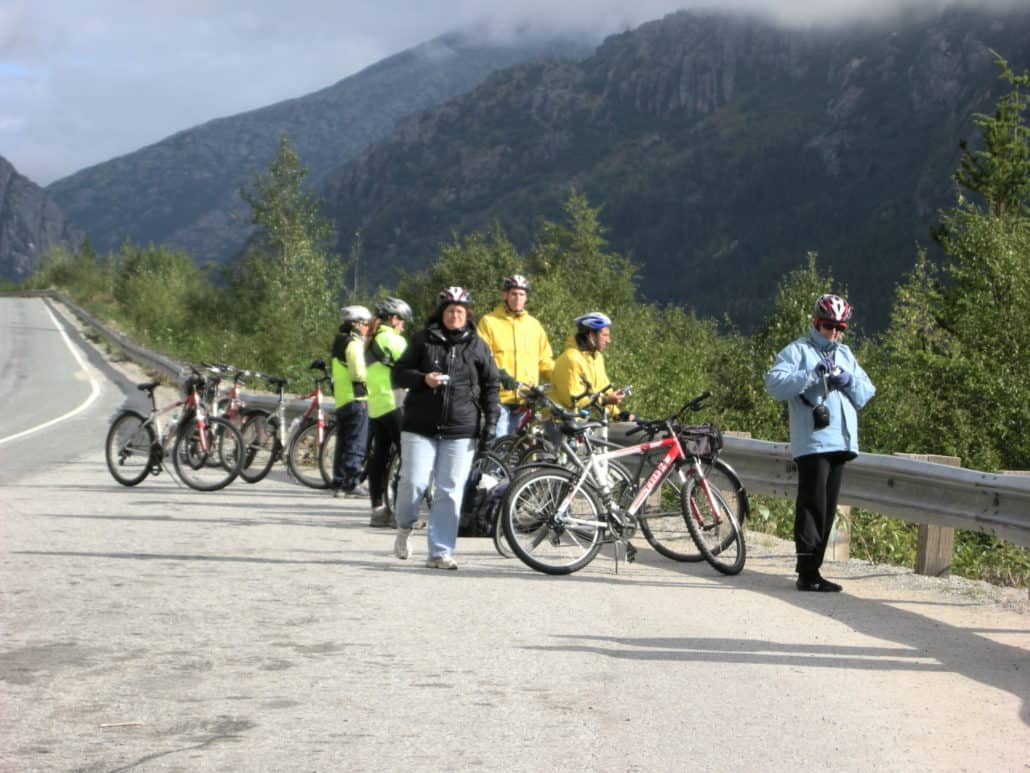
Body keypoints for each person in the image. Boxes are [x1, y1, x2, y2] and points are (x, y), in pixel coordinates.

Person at [764, 293, 876, 593]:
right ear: (816, 322)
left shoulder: (846, 354)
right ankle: (806, 572)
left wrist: (849, 380)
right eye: (829, 326)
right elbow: (773, 385)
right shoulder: (797, 351)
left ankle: (815, 569)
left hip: (841, 441)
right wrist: (810, 375)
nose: (835, 333)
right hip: (813, 442)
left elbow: (867, 393)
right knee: (812, 505)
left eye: (840, 327)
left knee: (827, 509)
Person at [390, 286, 500, 569]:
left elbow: (491, 386)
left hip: (462, 428)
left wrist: (490, 424)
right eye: (450, 310)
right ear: (441, 313)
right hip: (419, 425)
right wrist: (422, 379)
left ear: (467, 315)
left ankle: (440, 552)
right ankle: (404, 527)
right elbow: (398, 374)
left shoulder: (478, 346)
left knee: (449, 491)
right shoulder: (422, 340)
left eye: (460, 311)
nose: (455, 315)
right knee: (412, 482)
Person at [476, 274, 554, 437]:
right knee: (499, 446)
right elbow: (481, 357)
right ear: (505, 295)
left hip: (527, 398)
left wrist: (560, 378)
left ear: (526, 298)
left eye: (521, 294)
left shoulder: (534, 325)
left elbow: (545, 360)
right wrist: (500, 376)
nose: (517, 298)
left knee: (522, 449)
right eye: (513, 294)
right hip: (498, 397)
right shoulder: (488, 322)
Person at [365, 296, 412, 527]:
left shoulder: (371, 339)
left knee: (380, 458)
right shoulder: (391, 339)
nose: (403, 326)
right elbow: (415, 366)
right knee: (409, 456)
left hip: (376, 406)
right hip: (395, 403)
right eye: (402, 321)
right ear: (393, 319)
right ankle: (400, 511)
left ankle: (378, 510)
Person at [549, 312, 632, 419]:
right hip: (558, 424)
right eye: (605, 335)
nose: (609, 341)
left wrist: (618, 414)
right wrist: (605, 400)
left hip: (579, 425)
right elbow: (574, 401)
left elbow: (604, 390)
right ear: (591, 335)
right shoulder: (571, 359)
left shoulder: (596, 358)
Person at [330, 305, 372, 496]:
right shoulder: (354, 345)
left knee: (342, 442)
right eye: (365, 323)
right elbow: (358, 373)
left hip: (342, 399)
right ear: (355, 324)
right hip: (357, 398)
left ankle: (338, 481)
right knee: (356, 443)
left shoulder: (339, 342)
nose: (367, 327)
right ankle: (351, 482)